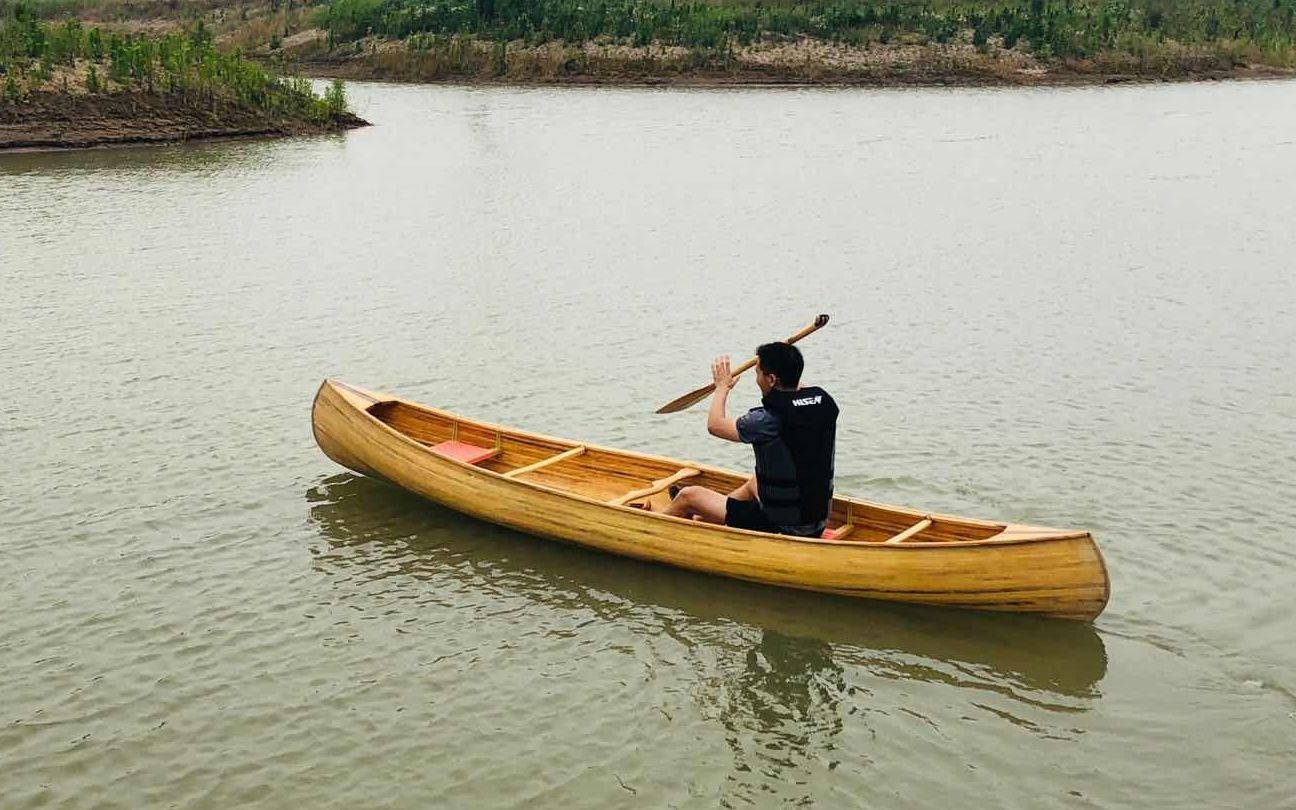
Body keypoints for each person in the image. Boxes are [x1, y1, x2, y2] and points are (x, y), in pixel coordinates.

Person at [663, 341, 838, 537]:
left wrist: (722, 387)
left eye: (757, 373)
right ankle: (702, 519)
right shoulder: (825, 402)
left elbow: (715, 425)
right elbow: (795, 388)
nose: (756, 379)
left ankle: (653, 528)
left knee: (688, 495)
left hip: (784, 526)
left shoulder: (767, 421)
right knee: (755, 483)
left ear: (771, 379)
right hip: (817, 519)